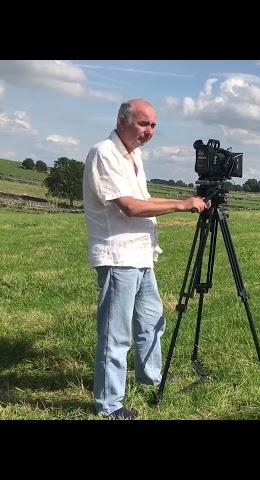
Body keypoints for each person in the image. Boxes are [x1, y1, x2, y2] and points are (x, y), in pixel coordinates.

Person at [82, 98, 207, 419]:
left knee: (153, 322)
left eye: (153, 125)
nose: (149, 131)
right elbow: (131, 207)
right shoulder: (104, 153)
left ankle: (150, 377)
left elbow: (145, 198)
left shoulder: (133, 156)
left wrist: (189, 200)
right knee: (115, 333)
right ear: (122, 120)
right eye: (143, 123)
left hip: (141, 254)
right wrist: (182, 205)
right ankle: (109, 404)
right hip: (117, 254)